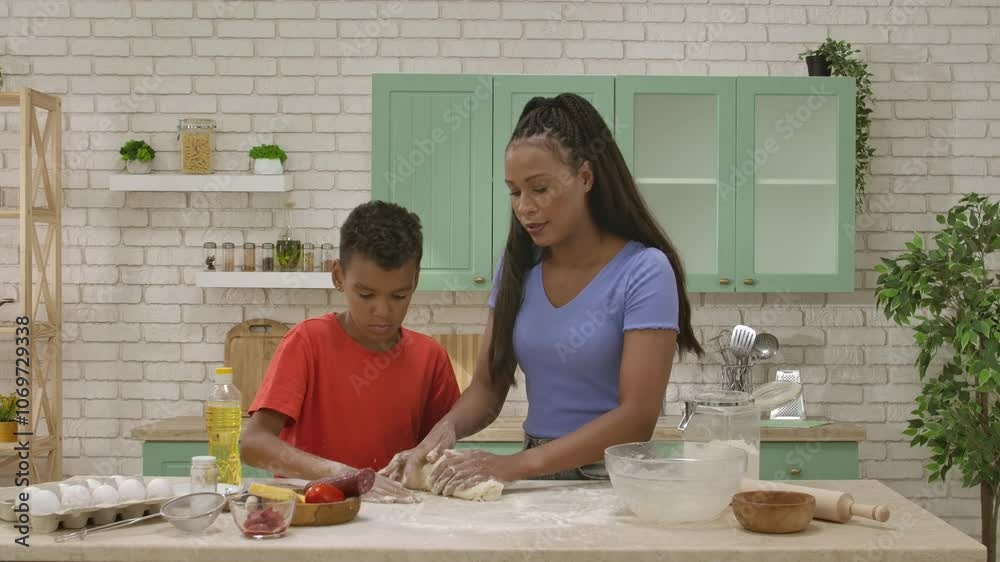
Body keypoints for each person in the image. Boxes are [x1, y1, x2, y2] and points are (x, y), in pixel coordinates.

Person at [381, 93, 703, 497]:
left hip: (608, 481)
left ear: (585, 177)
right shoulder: (518, 265)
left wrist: (513, 466)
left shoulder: (644, 270)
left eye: (539, 188)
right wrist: (442, 432)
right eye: (514, 192)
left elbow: (637, 417)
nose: (524, 207)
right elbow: (488, 386)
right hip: (533, 478)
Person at [241, 200, 461, 503]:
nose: (382, 311)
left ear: (415, 281)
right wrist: (341, 475)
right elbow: (253, 444)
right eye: (366, 294)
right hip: (317, 512)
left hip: (396, 513)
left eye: (399, 295)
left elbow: (436, 450)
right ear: (338, 276)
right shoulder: (306, 343)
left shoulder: (430, 357)